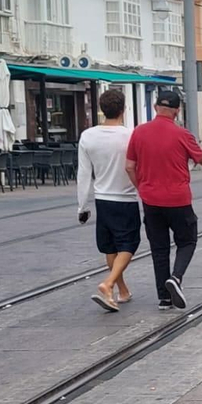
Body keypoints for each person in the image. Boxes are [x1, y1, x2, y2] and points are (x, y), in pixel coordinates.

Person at [125, 88, 202, 310]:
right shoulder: (182, 134)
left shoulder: (139, 132)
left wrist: (142, 187)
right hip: (178, 199)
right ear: (177, 110)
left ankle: (164, 298)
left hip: (150, 199)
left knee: (159, 248)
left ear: (155, 108)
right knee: (188, 240)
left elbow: (129, 166)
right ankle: (176, 277)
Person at [77, 88, 139, 312]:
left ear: (101, 110)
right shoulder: (131, 135)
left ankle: (121, 292)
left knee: (110, 247)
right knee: (129, 244)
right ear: (123, 109)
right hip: (126, 198)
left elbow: (83, 174)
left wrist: (82, 206)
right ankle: (108, 283)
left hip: (102, 199)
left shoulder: (88, 136)